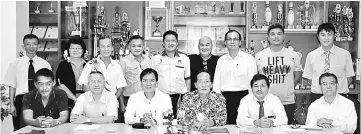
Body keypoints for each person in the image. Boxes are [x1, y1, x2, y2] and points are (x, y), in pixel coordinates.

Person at [3, 34, 52, 130]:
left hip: (40, 98)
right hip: (21, 99)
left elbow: (50, 84)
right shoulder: (15, 64)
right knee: (20, 128)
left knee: (40, 127)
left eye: (34, 44)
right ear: (23, 46)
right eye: (28, 44)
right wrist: (12, 105)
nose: (31, 47)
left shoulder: (44, 63)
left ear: (38, 46)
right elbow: (12, 85)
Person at [255, 23, 302, 124]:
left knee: (286, 129)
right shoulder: (259, 56)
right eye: (272, 34)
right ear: (268, 37)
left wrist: (287, 88)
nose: (276, 37)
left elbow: (298, 75)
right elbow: (256, 79)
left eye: (279, 34)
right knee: (266, 128)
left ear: (284, 36)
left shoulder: (293, 55)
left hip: (287, 101)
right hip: (265, 101)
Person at [303, 23, 355, 104]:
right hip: (317, 97)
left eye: (329, 34)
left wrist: (336, 91)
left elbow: (349, 78)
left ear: (334, 35)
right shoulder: (311, 56)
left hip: (340, 97)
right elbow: (309, 78)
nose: (326, 38)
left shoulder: (345, 54)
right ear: (318, 36)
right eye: (323, 35)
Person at [213, 30, 257, 124]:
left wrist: (251, 102)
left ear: (240, 42)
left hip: (244, 98)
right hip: (225, 100)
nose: (232, 42)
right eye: (229, 39)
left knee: (244, 126)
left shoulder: (249, 59)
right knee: (226, 127)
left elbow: (253, 83)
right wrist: (218, 103)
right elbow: (216, 84)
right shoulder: (221, 60)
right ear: (225, 42)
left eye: (235, 39)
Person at [151, 30, 191, 117]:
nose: (170, 43)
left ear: (177, 43)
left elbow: (187, 79)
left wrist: (187, 99)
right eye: (167, 41)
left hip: (180, 98)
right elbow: (152, 80)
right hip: (161, 98)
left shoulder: (185, 59)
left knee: (179, 123)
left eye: (173, 41)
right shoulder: (155, 59)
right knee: (161, 123)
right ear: (163, 43)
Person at [118, 35, 152, 122]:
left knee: (144, 124)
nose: (137, 48)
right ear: (129, 47)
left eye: (139, 46)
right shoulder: (124, 61)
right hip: (128, 99)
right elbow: (119, 84)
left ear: (143, 47)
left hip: (144, 99)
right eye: (134, 46)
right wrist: (122, 104)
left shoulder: (148, 60)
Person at [56, 38, 87, 109]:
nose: (75, 50)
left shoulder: (89, 65)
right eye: (72, 48)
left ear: (83, 50)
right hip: (68, 102)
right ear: (68, 50)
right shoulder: (63, 65)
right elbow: (61, 85)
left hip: (88, 101)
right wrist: (75, 99)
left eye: (78, 48)